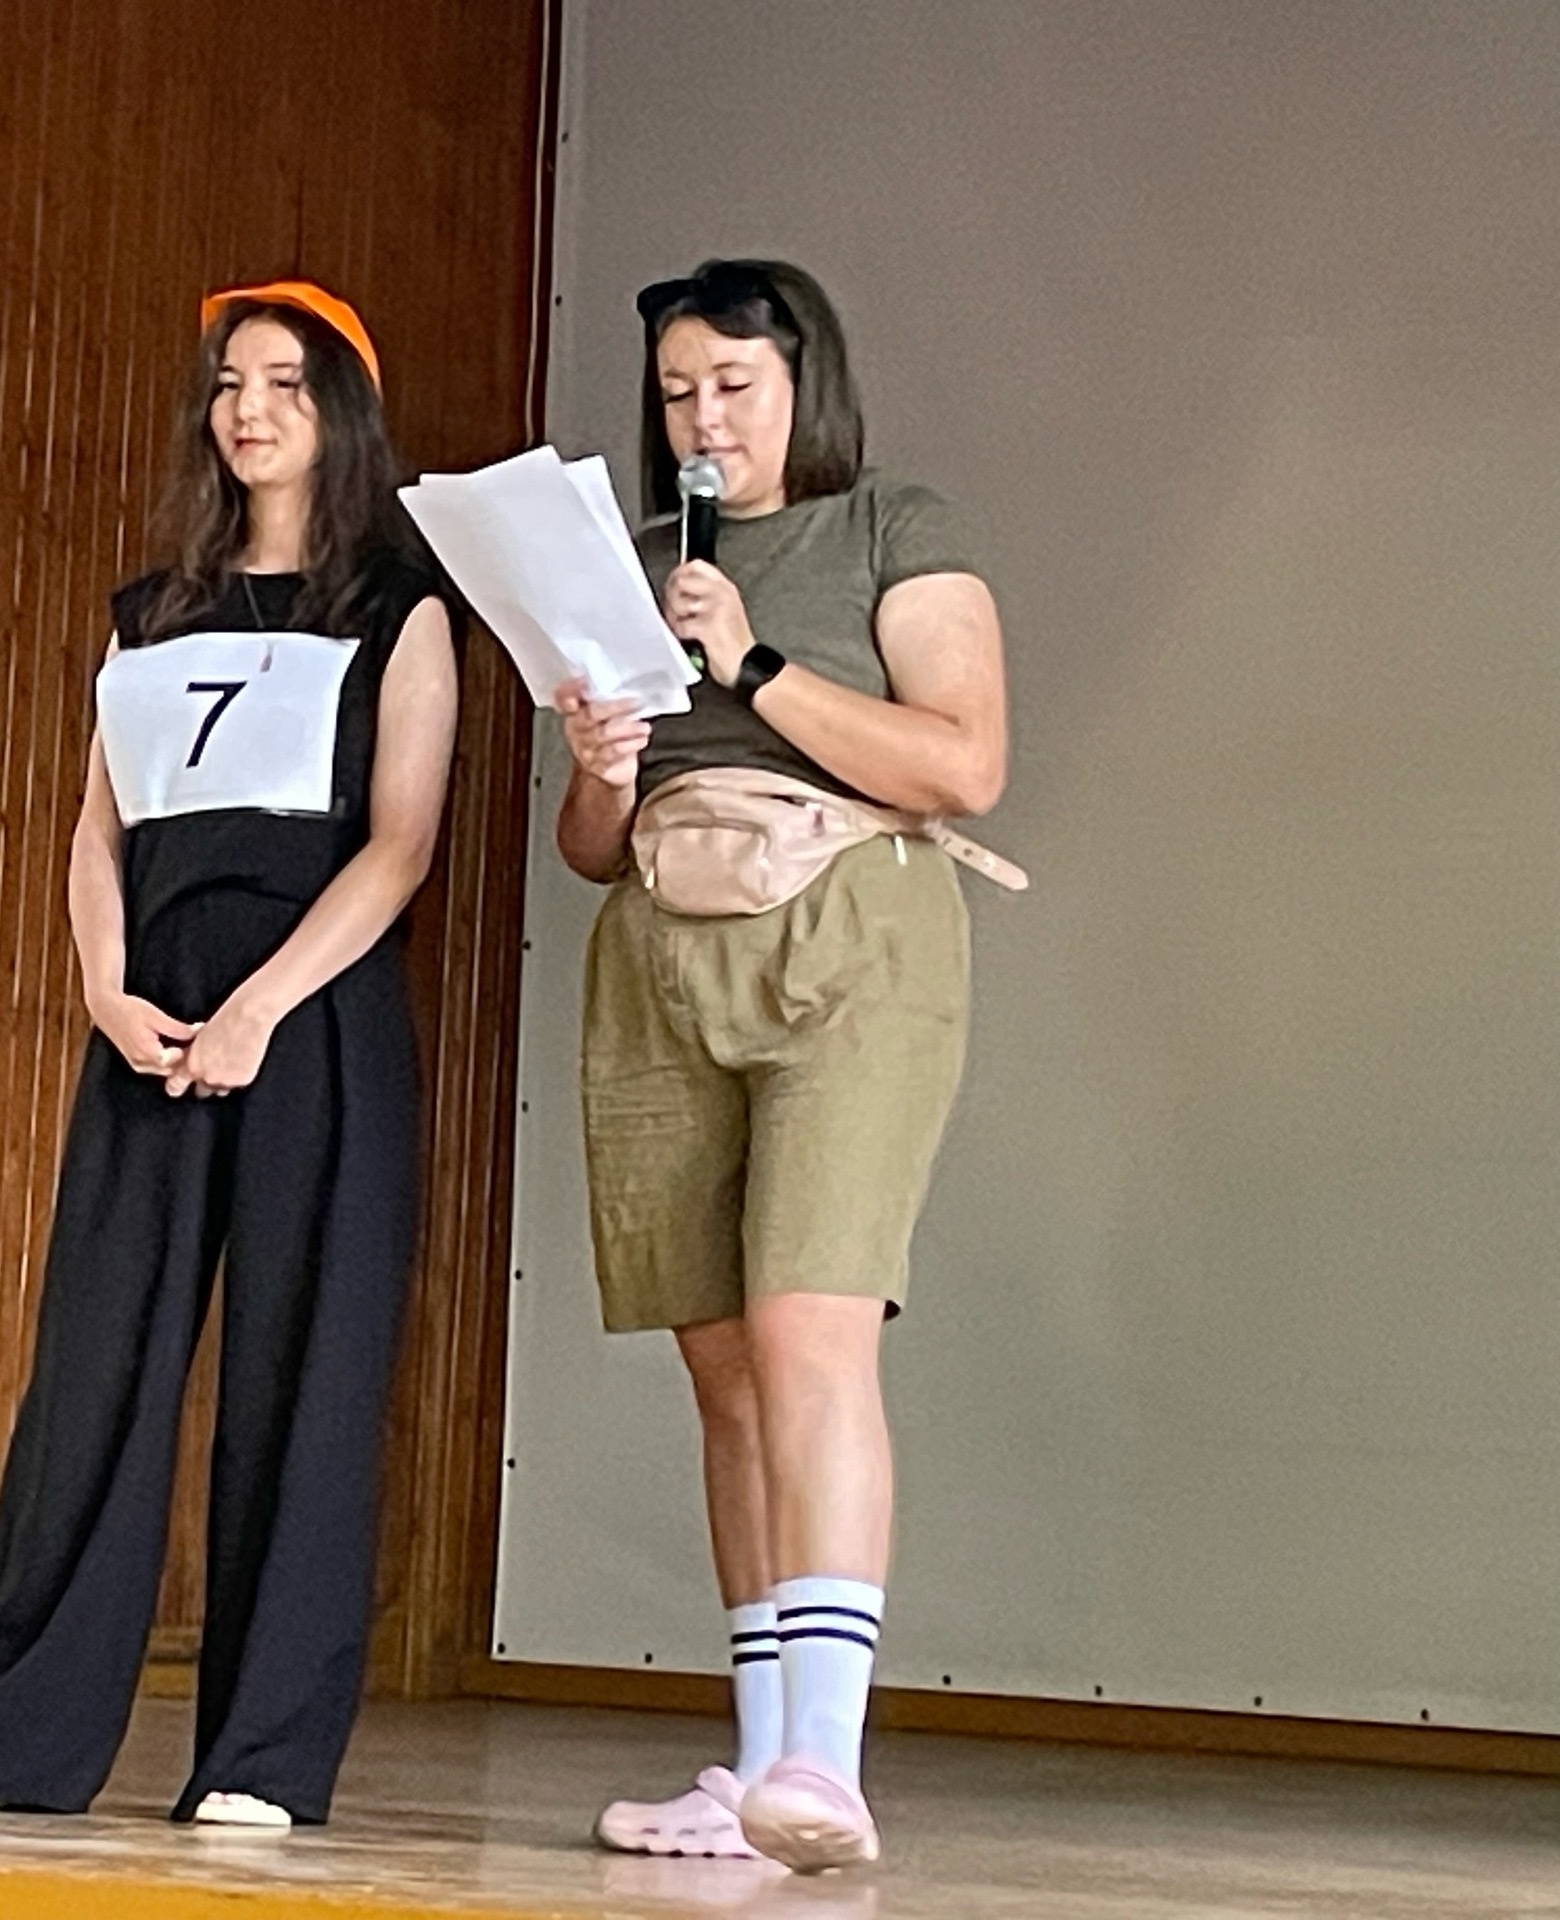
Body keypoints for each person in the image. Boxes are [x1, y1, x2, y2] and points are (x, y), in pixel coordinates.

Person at [0, 281, 458, 1831]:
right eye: (230, 383)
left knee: (303, 1385)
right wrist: (105, 985)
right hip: (150, 1013)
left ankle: (263, 1761)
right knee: (94, 1368)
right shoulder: (151, 613)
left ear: (341, 414)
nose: (250, 410)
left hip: (314, 1013)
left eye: (285, 383)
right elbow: (95, 829)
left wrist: (266, 1007)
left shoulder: (399, 610)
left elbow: (400, 845)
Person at [564, 259, 1010, 1872]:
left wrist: (751, 664)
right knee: (722, 1367)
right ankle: (758, 1769)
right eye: (678, 393)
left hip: (851, 928)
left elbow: (964, 760)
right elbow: (588, 847)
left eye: (734, 387)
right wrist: (601, 764)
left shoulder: (892, 524)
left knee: (810, 1329)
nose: (704, 419)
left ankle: (827, 1755)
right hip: (662, 944)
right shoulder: (630, 564)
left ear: (805, 382)